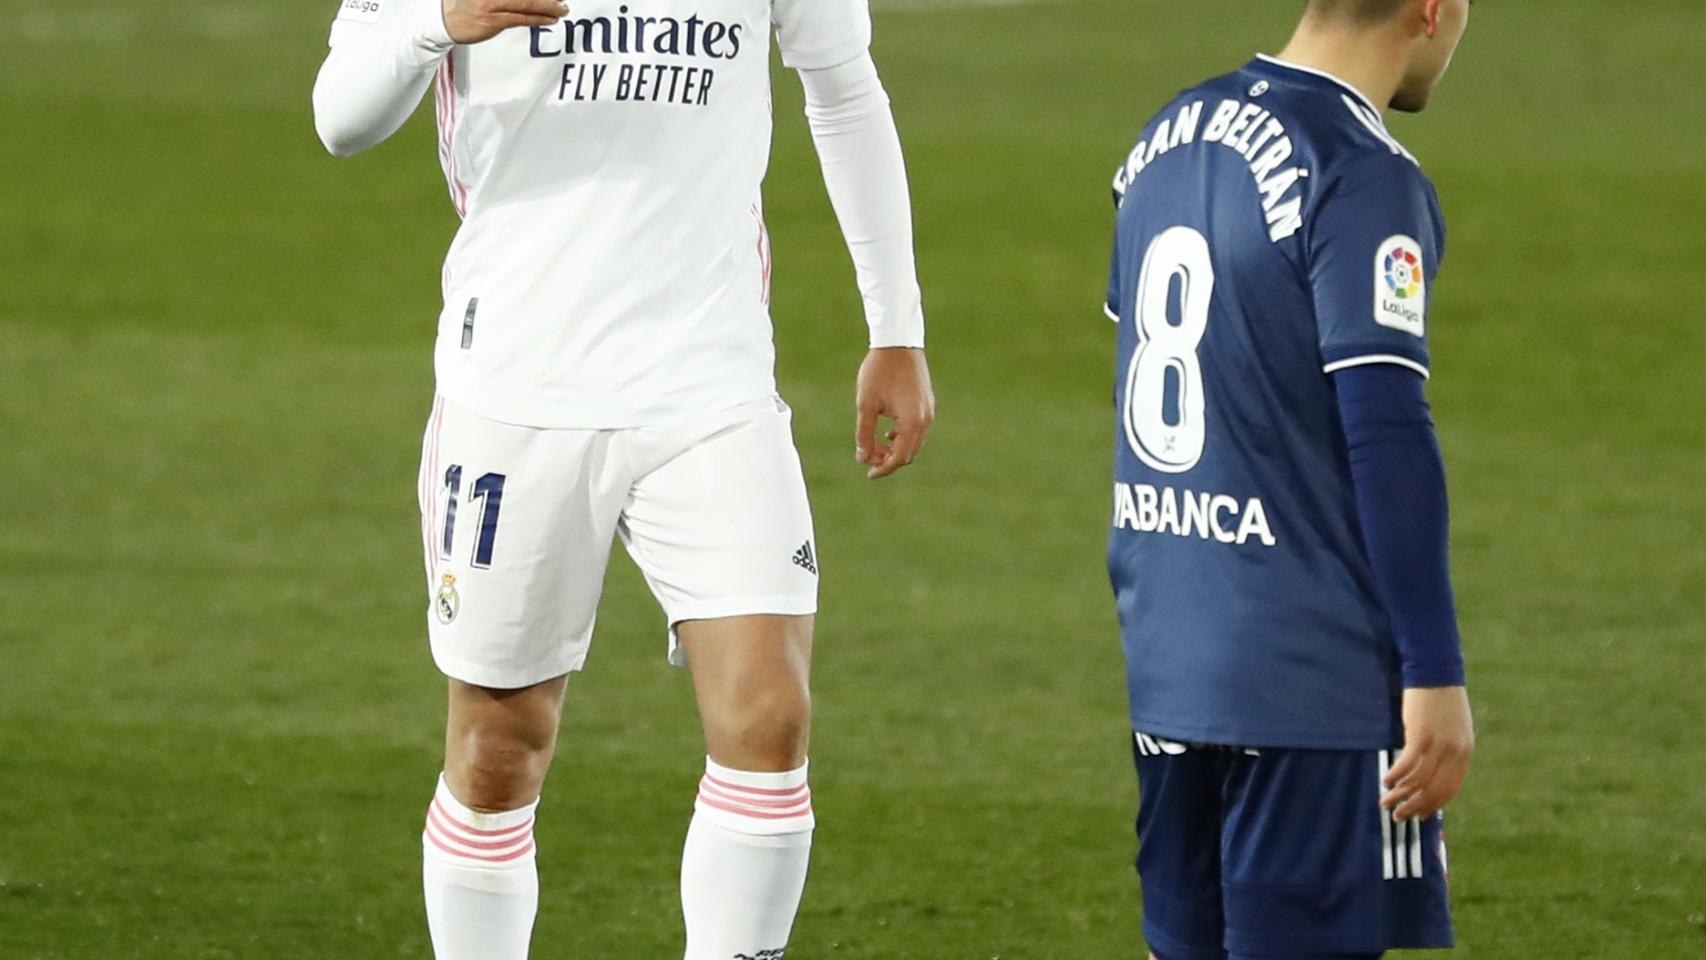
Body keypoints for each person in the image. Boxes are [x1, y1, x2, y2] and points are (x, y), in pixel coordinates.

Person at [310, 0, 935, 955]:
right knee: (497, 749)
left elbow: (844, 89)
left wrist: (896, 326)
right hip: (517, 389)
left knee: (769, 718)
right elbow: (340, 116)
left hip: (710, 386)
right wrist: (438, 20)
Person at [1102, 1, 1475, 957]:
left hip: (1172, 661)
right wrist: (1432, 668)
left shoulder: (1160, 142)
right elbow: (1387, 428)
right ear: (1431, 8)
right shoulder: (1360, 171)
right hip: (1308, 681)